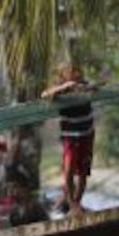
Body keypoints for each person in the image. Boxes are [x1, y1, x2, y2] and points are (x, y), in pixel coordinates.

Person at [41, 62, 98, 214]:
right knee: (68, 169)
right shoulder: (59, 90)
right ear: (64, 75)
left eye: (78, 71)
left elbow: (95, 87)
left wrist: (84, 87)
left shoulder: (84, 85)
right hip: (70, 135)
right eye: (72, 72)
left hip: (87, 132)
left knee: (83, 171)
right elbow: (45, 95)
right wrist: (65, 87)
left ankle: (77, 202)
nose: (77, 74)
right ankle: (71, 202)